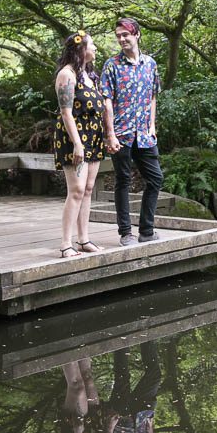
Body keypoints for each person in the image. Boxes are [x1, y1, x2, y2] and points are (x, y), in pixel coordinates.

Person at [100, 18, 164, 246]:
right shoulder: (111, 65)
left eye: (125, 34)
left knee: (155, 179)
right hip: (121, 133)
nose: (121, 39)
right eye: (118, 36)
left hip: (145, 134)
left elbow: (153, 96)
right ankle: (126, 232)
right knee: (123, 181)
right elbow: (107, 102)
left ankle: (146, 230)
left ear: (136, 34)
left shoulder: (151, 64)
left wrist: (153, 125)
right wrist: (110, 134)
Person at [54, 30, 106, 258]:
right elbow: (66, 113)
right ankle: (66, 243)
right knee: (75, 190)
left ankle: (83, 239)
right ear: (81, 49)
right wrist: (77, 144)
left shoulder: (88, 75)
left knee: (87, 190)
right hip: (75, 137)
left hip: (93, 136)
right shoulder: (67, 75)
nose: (95, 48)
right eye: (92, 45)